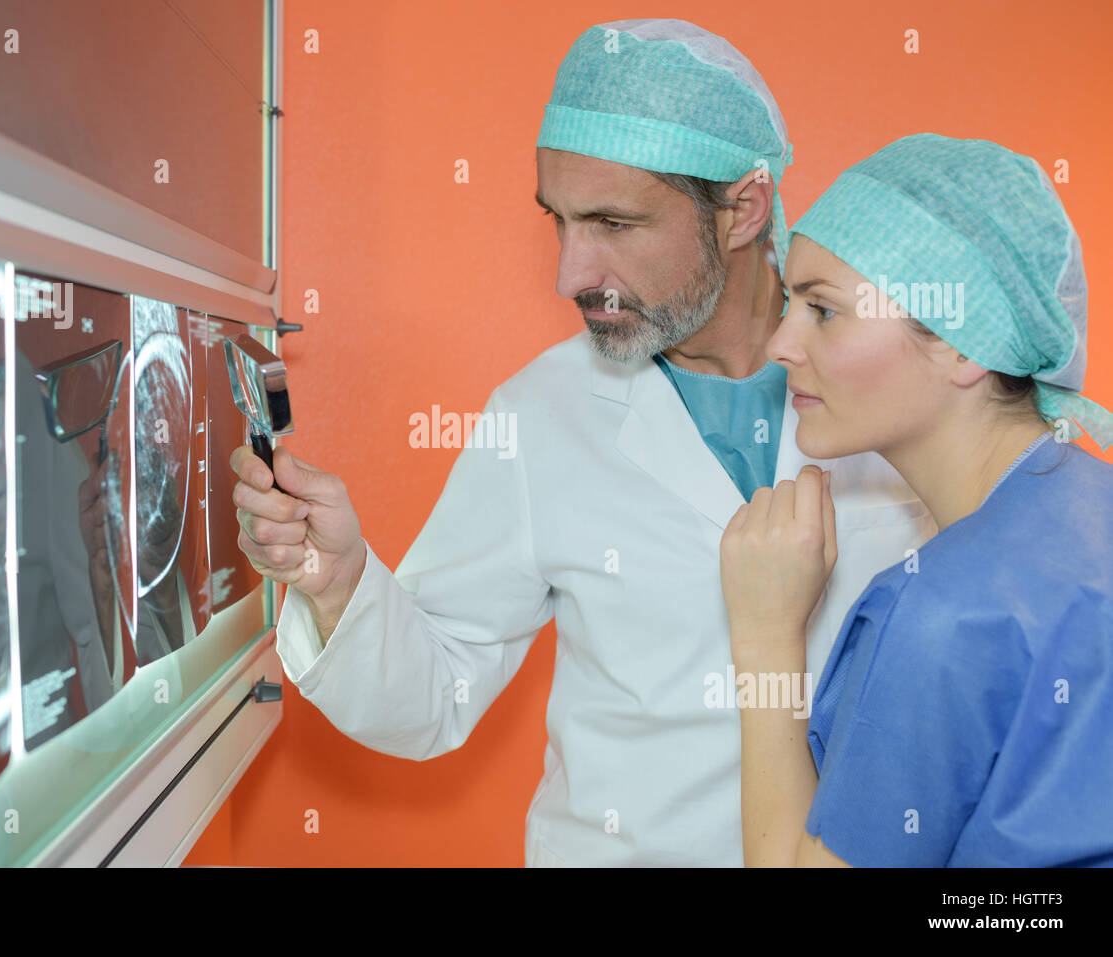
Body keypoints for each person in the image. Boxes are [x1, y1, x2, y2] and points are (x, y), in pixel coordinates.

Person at [230, 19, 936, 866]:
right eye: (559, 222)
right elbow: (435, 695)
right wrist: (339, 585)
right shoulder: (541, 414)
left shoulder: (898, 380)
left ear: (742, 209)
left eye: (614, 222)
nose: (571, 274)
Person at [719, 133, 1113, 867]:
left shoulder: (942, 612)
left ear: (966, 345)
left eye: (823, 310)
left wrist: (766, 636)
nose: (780, 343)